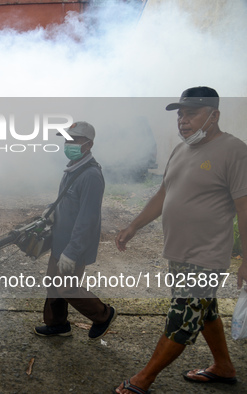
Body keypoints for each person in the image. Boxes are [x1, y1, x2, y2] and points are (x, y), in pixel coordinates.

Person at [114, 86, 247, 394]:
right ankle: (224, 368)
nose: (183, 121)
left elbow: (244, 207)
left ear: (214, 116)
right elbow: (163, 194)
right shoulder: (181, 149)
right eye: (180, 114)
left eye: (192, 114)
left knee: (183, 317)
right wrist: (134, 226)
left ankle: (143, 379)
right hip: (180, 253)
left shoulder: (234, 150)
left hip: (206, 256)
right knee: (205, 308)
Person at [34, 121, 116, 339]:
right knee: (53, 282)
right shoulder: (72, 167)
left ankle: (103, 315)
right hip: (61, 240)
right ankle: (57, 324)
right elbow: (68, 201)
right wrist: (52, 210)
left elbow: (88, 218)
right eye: (66, 139)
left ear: (88, 145)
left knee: (66, 288)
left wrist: (72, 251)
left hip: (74, 244)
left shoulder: (91, 176)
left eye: (74, 140)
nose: (68, 143)